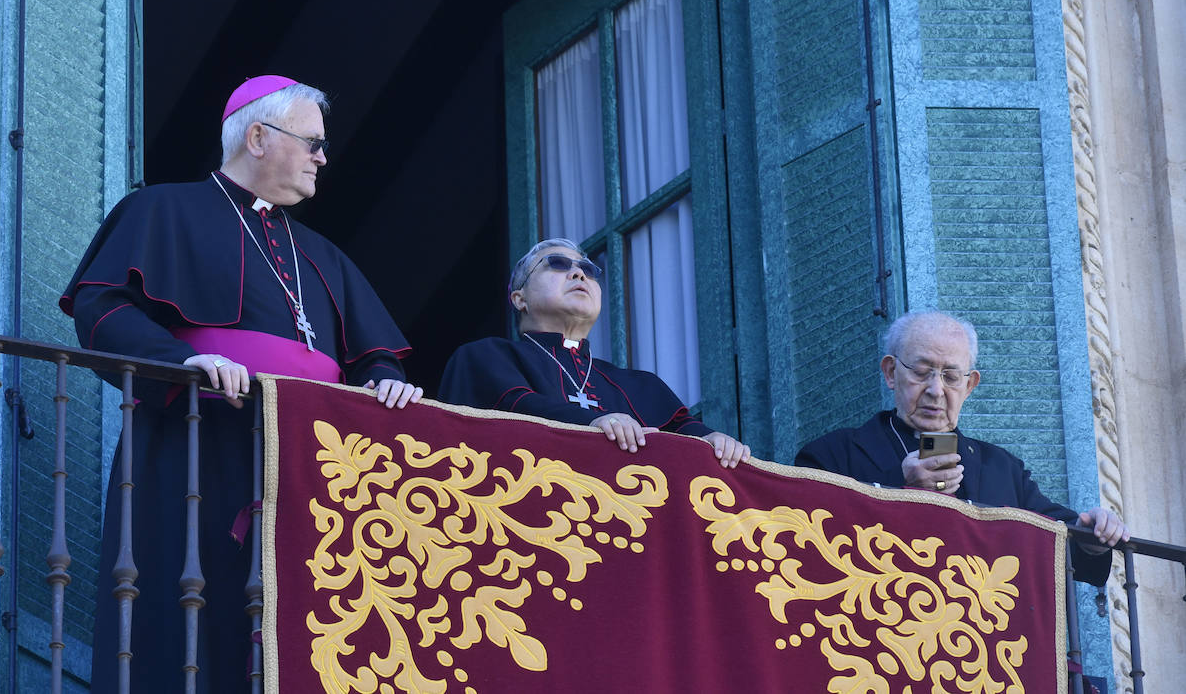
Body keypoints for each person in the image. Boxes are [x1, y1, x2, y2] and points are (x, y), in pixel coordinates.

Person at [60, 74, 422, 690]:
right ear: (258, 136)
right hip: (196, 443)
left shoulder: (324, 256)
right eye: (312, 142)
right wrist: (179, 360)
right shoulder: (162, 209)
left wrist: (387, 382)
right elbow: (103, 308)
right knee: (194, 615)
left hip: (307, 467)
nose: (323, 157)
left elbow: (372, 355)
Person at [794, 309, 1128, 584]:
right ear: (891, 372)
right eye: (922, 372)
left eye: (951, 377)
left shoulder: (1003, 470)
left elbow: (1060, 544)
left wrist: (1092, 535)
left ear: (969, 385)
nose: (936, 390)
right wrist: (904, 494)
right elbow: (811, 552)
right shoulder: (830, 457)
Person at [437, 238, 750, 467]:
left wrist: (712, 441)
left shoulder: (638, 384)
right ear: (520, 299)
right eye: (557, 265)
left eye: (586, 268)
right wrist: (592, 423)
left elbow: (682, 431)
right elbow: (513, 412)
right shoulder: (486, 356)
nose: (578, 274)